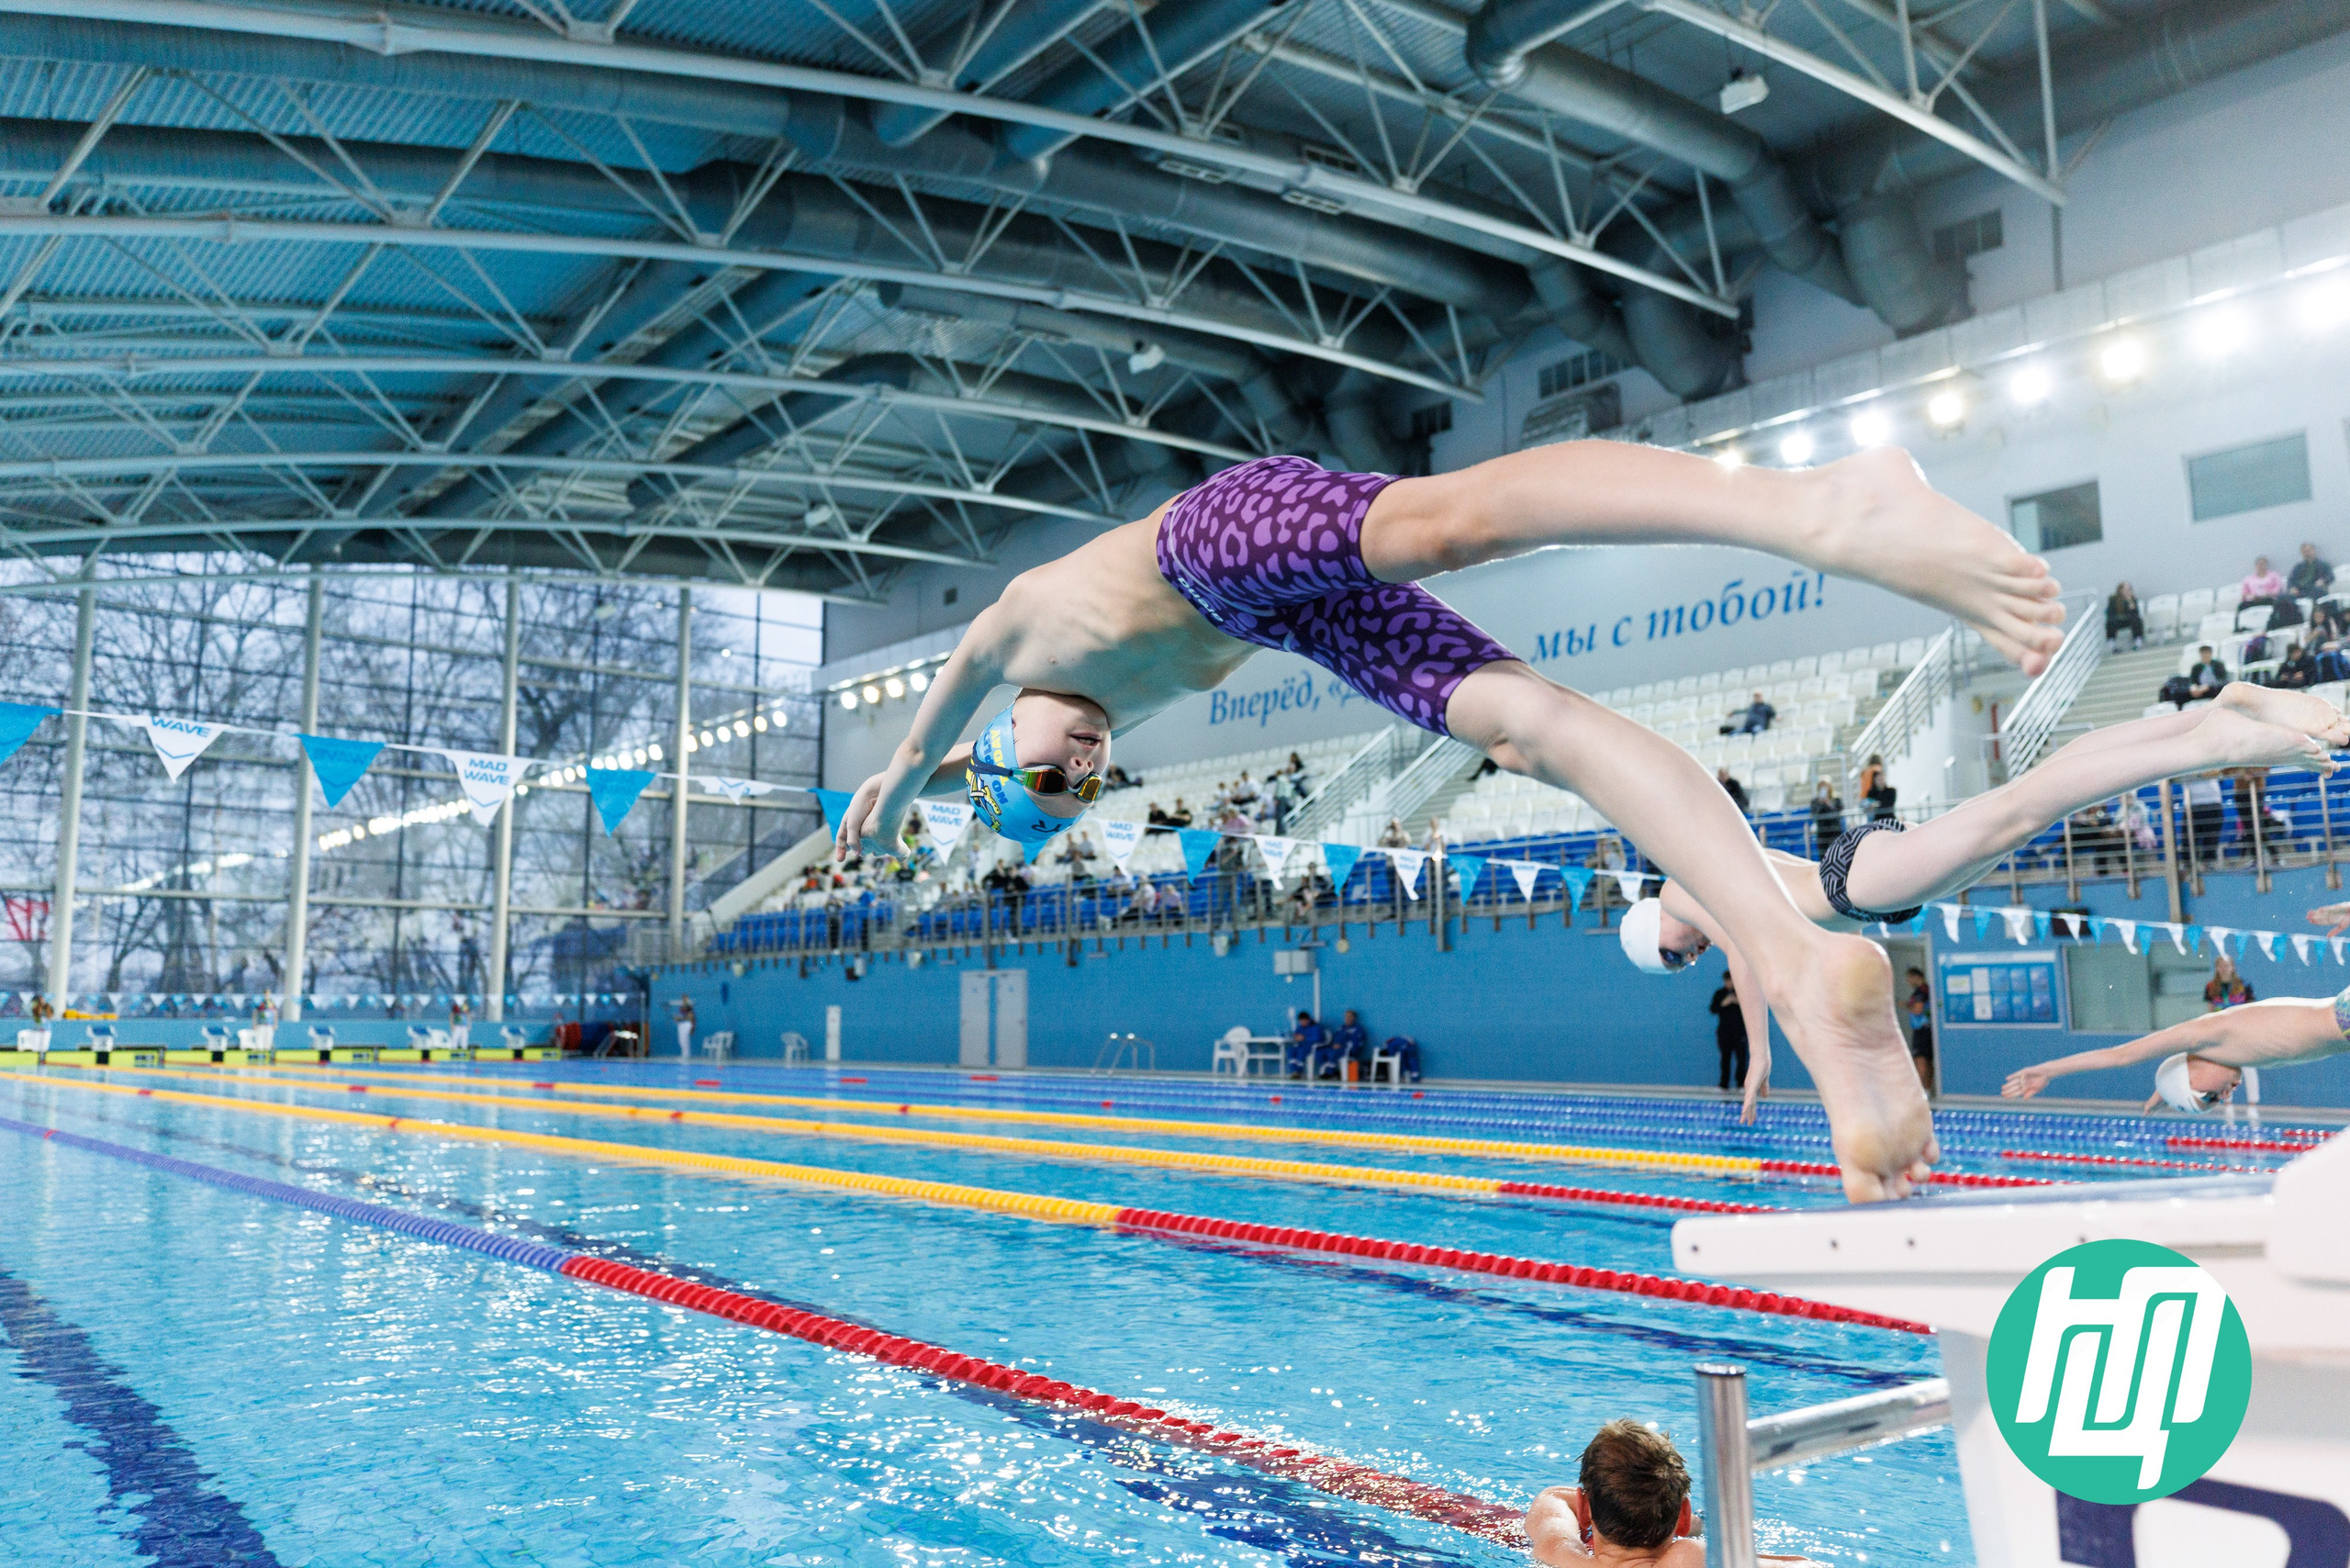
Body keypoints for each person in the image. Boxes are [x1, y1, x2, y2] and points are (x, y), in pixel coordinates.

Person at [836, 442, 2073, 1202]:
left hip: (1215, 537)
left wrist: (893, 800)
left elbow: (918, 731)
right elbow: (1035, 768)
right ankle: (1798, 964)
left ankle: (1820, 506)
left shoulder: (1015, 633)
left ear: (1000, 747)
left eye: (1052, 774)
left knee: (1453, 519)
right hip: (1283, 619)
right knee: (1525, 725)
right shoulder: (1111, 704)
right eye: (1079, 794)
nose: (1083, 772)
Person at [1623, 684, 2346, 1118]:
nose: (1689, 961)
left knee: (2023, 809)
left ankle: (2208, 744)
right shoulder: (1702, 880)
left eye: (1671, 958)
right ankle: (2205, 717)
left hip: (1857, 886)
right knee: (2024, 801)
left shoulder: (1687, 885)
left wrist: (1759, 1057)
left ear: (1656, 926)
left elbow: (1754, 959)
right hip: (1860, 875)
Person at [1526, 1420, 1821, 1568]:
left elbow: (1550, 1499)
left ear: (1584, 1508)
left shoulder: (1558, 1552)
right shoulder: (1687, 1557)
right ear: (1683, 1517)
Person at [1708, 973, 1748, 1092]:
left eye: (1731, 981)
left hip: (1740, 1031)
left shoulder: (1742, 993)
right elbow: (1712, 1009)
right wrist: (1723, 1003)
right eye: (1727, 981)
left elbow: (1752, 1009)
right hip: (1724, 1031)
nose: (1729, 983)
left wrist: (1738, 1002)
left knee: (1742, 1059)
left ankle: (1741, 1084)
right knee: (1725, 1058)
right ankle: (1723, 1085)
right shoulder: (1719, 994)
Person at [2182, 772, 2225, 863]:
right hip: (2191, 804)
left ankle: (2208, 868)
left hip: (2213, 802)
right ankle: (2190, 868)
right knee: (2188, 843)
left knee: (2211, 842)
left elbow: (2217, 771)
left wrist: (2196, 774)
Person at [1902, 967, 1933, 1090]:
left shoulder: (1921, 992)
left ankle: (1920, 1091)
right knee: (1927, 1060)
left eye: (1909, 978)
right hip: (1926, 1029)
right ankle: (1928, 1089)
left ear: (1916, 977)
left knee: (1921, 1060)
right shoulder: (1926, 989)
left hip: (1922, 1030)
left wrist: (1905, 1005)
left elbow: (1917, 1010)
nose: (1908, 982)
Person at [1286, 1009, 1327, 1079]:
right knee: (1290, 1050)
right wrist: (1295, 1037)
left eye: (1303, 1021)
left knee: (1301, 1052)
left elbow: (1318, 1038)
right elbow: (1296, 1034)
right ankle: (1294, 1071)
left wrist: (1304, 1038)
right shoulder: (1300, 1027)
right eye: (1300, 1021)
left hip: (1311, 1047)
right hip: (1301, 1046)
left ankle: (1299, 1072)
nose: (1301, 1023)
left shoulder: (1315, 1027)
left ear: (1307, 1020)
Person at [2103, 581, 2144, 650]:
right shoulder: (2113, 599)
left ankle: (2138, 642)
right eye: (2126, 589)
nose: (2128, 591)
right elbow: (2110, 613)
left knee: (2136, 620)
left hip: (2128, 620)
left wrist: (2131, 604)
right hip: (2117, 620)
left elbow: (2135, 613)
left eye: (2129, 589)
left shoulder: (2133, 599)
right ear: (2120, 590)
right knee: (2110, 622)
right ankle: (2112, 646)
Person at [1856, 754, 1897, 822]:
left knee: (1870, 815)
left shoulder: (1865, 771)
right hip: (1870, 797)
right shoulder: (1877, 769)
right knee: (1873, 812)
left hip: (1863, 797)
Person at [1807, 778, 1845, 845]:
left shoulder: (1837, 799)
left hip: (1835, 830)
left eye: (1825, 786)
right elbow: (1814, 814)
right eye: (1821, 786)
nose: (1823, 788)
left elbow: (1838, 812)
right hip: (1822, 832)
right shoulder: (1815, 801)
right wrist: (1820, 803)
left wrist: (1828, 802)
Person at [673, 995, 695, 1060]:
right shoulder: (681, 1007)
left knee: (685, 1040)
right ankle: (684, 1054)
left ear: (687, 999)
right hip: (681, 1024)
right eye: (683, 999)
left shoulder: (689, 1006)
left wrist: (681, 1018)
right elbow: (681, 1015)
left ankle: (686, 1055)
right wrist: (677, 1019)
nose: (684, 1000)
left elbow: (690, 1016)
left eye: (686, 999)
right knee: (681, 1040)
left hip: (686, 1024)